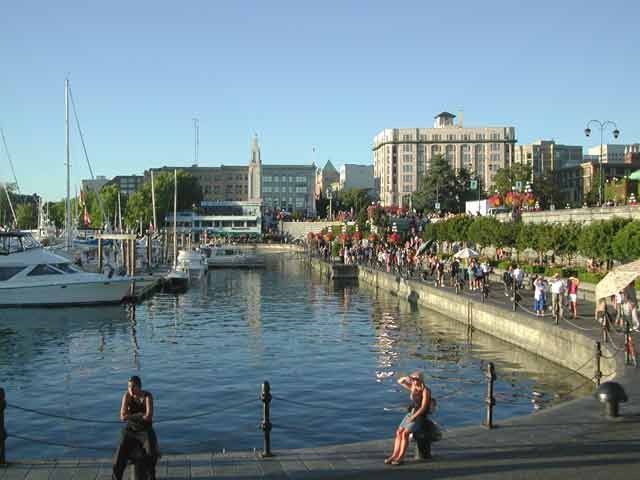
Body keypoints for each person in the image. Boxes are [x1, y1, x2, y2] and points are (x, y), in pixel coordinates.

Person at [113, 375, 160, 480]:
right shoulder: (127, 396)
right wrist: (140, 415)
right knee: (120, 451)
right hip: (130, 429)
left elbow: (148, 416)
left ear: (139, 387)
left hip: (145, 430)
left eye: (133, 386)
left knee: (151, 452)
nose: (131, 389)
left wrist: (129, 416)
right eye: (129, 387)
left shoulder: (147, 396)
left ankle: (151, 476)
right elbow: (122, 416)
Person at [385, 372, 432, 466]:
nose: (414, 381)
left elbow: (423, 407)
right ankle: (394, 455)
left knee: (405, 433)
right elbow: (400, 381)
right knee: (399, 432)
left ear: (420, 380)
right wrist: (407, 378)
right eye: (413, 379)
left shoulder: (425, 390)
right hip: (411, 412)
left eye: (416, 379)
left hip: (419, 415)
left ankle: (401, 457)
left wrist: (414, 417)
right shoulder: (413, 387)